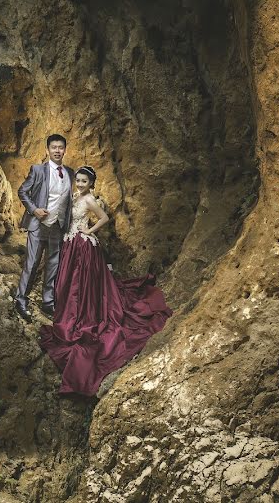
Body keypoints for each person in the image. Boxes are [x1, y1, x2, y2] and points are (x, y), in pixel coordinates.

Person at [39, 165, 173, 396]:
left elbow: (105, 218)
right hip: (70, 245)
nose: (80, 184)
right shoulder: (73, 196)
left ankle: (80, 316)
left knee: (82, 286)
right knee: (67, 283)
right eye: (78, 180)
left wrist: (89, 231)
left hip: (82, 247)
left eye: (84, 182)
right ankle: (69, 314)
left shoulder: (90, 200)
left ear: (91, 184)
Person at [14, 134, 75, 321]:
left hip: (57, 226)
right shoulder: (38, 170)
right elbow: (22, 191)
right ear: (47, 150)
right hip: (39, 225)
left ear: (65, 150)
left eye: (60, 147)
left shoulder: (71, 173)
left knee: (53, 265)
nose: (57, 150)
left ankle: (48, 302)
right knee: (31, 264)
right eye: (54, 147)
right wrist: (34, 210)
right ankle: (20, 299)